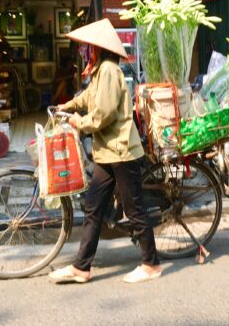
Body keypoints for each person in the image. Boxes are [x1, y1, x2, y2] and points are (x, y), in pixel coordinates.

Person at [49, 18, 162, 285]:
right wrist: (69, 106)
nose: (86, 51)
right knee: (93, 206)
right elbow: (88, 98)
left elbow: (104, 114)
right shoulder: (99, 71)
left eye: (89, 47)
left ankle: (151, 264)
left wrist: (81, 122)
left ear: (99, 48)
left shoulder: (110, 70)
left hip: (122, 151)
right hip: (106, 154)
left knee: (134, 209)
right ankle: (81, 267)